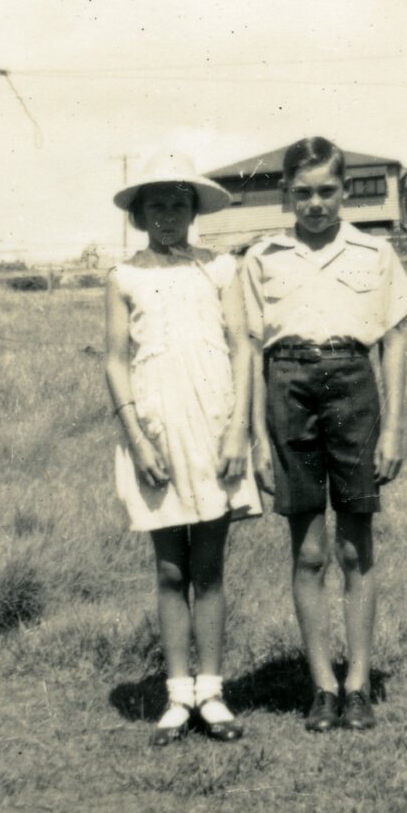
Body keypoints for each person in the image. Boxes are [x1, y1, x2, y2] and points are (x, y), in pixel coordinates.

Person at [243, 137, 407, 733]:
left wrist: (393, 427)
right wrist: (256, 440)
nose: (315, 203)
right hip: (287, 385)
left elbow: (393, 340)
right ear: (285, 194)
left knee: (355, 545)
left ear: (343, 190)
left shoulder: (374, 252)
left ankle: (359, 683)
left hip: (352, 385)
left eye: (326, 191)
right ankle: (322, 685)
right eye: (303, 192)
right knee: (309, 548)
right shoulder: (263, 256)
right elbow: (248, 349)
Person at [105, 150, 261, 746]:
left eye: (178, 203)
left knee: (210, 567)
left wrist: (238, 429)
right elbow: (116, 362)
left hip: (212, 424)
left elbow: (243, 349)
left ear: (193, 210)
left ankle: (213, 692)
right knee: (171, 569)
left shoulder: (220, 268)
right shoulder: (124, 276)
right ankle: (177, 695)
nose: (167, 215)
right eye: (155, 206)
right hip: (155, 431)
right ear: (140, 216)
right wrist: (136, 438)